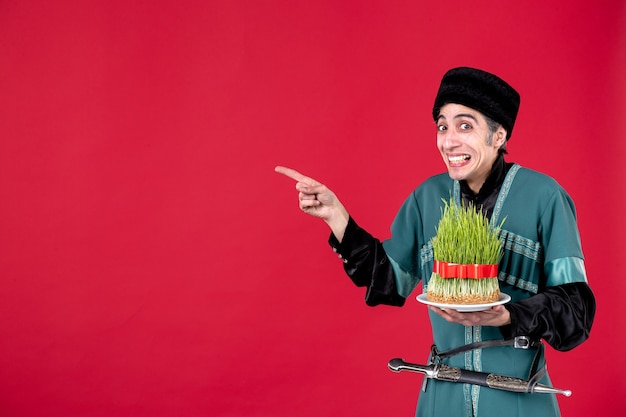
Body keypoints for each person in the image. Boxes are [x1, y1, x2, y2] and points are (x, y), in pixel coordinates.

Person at [275, 67, 595, 417]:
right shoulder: (427, 198)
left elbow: (575, 312)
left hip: (519, 396)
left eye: (465, 126)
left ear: (498, 135)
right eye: (443, 126)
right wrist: (336, 216)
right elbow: (388, 281)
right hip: (442, 396)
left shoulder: (544, 196)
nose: (448, 140)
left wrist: (507, 314)